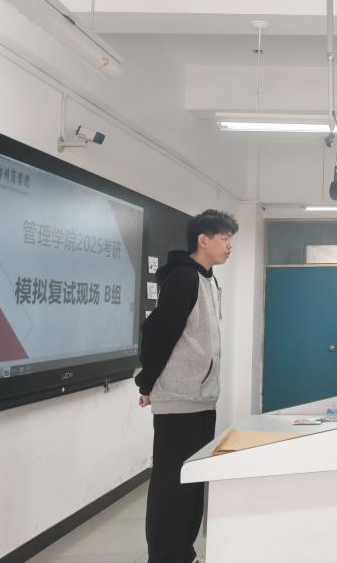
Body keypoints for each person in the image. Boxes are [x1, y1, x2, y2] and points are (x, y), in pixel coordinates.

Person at [135, 209, 238, 563]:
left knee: (192, 482)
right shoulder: (183, 277)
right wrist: (147, 382)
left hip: (200, 399)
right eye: (224, 238)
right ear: (202, 240)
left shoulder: (208, 279)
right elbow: (158, 333)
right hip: (179, 399)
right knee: (172, 485)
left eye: (231, 239)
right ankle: (166, 555)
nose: (229, 246)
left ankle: (183, 552)